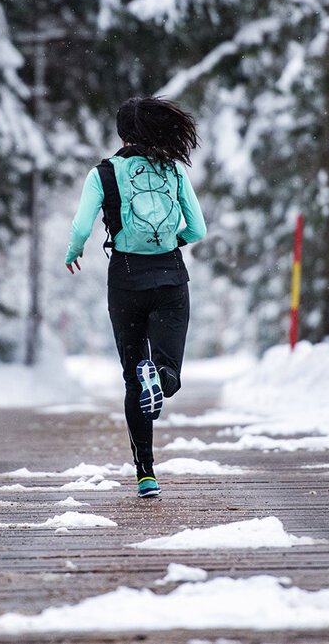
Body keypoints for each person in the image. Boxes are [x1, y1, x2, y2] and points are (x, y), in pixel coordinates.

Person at [65, 96, 207, 499]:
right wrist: (173, 242)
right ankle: (161, 378)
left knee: (132, 377)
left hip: (125, 278)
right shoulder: (173, 171)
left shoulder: (103, 173)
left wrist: (73, 252)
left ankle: (146, 473)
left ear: (122, 134)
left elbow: (80, 227)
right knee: (169, 371)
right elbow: (197, 229)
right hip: (170, 278)